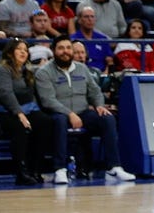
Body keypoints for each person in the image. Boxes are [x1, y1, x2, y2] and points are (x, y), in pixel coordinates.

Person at [33, 35, 136, 184]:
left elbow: (95, 91)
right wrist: (70, 114)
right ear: (54, 51)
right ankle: (59, 169)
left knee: (107, 118)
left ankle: (113, 168)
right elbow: (48, 100)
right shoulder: (44, 72)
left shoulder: (82, 69)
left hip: (83, 112)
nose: (65, 51)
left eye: (68, 48)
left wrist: (99, 105)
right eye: (61, 48)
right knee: (60, 121)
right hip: (58, 113)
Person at [0, 38, 51, 185]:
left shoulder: (26, 70)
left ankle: (35, 169)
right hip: (2, 111)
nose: (23, 52)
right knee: (19, 127)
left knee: (45, 122)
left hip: (25, 109)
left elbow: (31, 95)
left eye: (25, 50)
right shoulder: (1, 70)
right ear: (10, 53)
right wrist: (20, 114)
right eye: (19, 49)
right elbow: (6, 94)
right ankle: (20, 171)